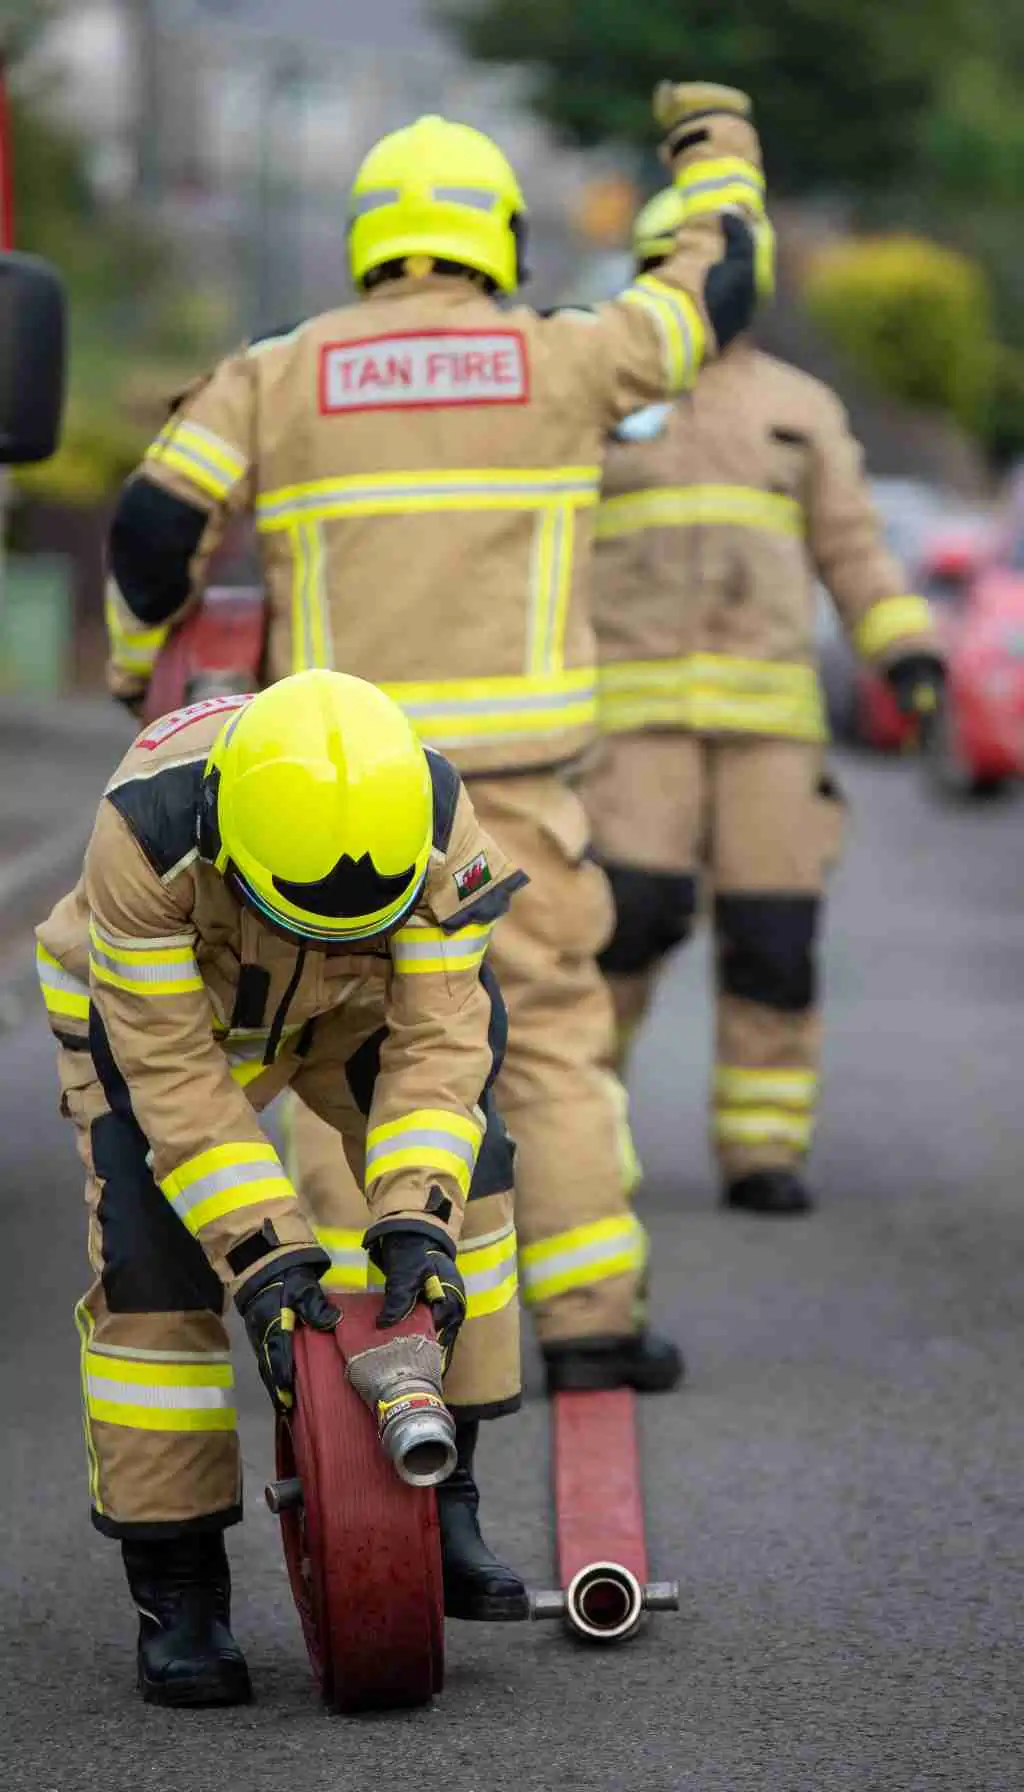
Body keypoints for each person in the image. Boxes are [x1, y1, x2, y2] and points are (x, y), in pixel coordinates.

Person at [100, 84, 766, 1392]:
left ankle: (366, 1368)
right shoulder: (569, 356)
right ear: (502, 241)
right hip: (514, 802)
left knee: (354, 1053)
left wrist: (143, 673)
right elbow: (717, 292)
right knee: (557, 1046)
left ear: (365, 239)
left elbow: (147, 534)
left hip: (329, 801)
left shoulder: (277, 372)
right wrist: (717, 153)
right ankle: (588, 1326)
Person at [36, 669, 529, 1707]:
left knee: (468, 1192)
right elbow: (175, 1083)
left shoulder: (433, 816)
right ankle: (178, 1587)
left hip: (352, 1007)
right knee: (156, 1274)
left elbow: (441, 1045)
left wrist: (416, 1223)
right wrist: (268, 1262)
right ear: (225, 842)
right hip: (164, 1017)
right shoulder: (143, 834)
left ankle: (449, 1500)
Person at [581, 185, 945, 1217]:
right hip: (633, 725)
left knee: (773, 938)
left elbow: (854, 549)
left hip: (769, 736)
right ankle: (580, 1137)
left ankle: (762, 1150)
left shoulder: (800, 408)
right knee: (623, 927)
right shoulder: (599, 401)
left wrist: (906, 648)